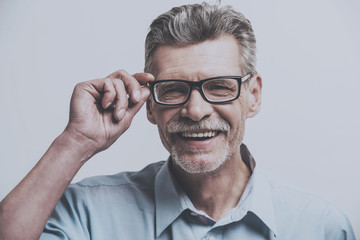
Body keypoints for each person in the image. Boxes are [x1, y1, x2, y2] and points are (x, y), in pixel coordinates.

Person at [0, 2, 355, 240]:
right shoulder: (88, 213)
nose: (196, 110)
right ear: (150, 106)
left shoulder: (322, 226)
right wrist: (76, 142)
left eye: (219, 87)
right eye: (172, 90)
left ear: (254, 95)